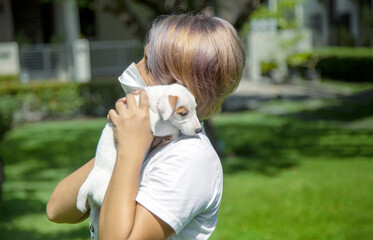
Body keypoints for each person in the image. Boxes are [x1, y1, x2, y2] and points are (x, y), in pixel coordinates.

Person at [46, 13, 245, 240]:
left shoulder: (190, 158)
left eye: (148, 64)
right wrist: (118, 145)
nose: (135, 68)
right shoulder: (148, 138)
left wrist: (130, 151)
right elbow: (56, 209)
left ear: (179, 89)